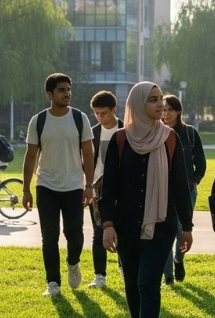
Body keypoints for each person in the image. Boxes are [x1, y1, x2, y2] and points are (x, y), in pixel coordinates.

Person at [99, 82, 193, 318]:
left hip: (161, 227)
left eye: (160, 98)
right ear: (138, 104)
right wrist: (108, 225)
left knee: (147, 283)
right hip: (126, 226)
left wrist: (187, 228)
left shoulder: (169, 138)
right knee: (131, 285)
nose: (160, 104)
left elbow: (181, 187)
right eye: (152, 99)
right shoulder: (120, 140)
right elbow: (109, 188)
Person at [22, 73, 96, 297]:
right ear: (50, 94)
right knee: (49, 236)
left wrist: (89, 184)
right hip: (46, 186)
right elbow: (30, 156)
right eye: (62, 90)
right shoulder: (39, 121)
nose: (67, 94)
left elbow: (88, 153)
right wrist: (26, 189)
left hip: (74, 185)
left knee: (75, 235)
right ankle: (53, 282)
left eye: (68, 89)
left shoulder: (79, 118)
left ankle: (73, 263)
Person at [162, 94, 207, 285]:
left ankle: (178, 260)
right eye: (163, 109)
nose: (165, 113)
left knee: (182, 232)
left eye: (169, 109)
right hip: (163, 192)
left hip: (187, 191)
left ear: (178, 111)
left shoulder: (189, 133)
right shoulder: (158, 132)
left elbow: (201, 162)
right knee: (165, 235)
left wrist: (195, 180)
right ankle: (168, 277)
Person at [88, 90, 123, 288]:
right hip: (97, 190)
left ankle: (124, 269)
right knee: (98, 233)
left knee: (122, 233)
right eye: (96, 113)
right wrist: (88, 187)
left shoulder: (126, 130)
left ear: (114, 110)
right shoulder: (92, 133)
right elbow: (85, 162)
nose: (100, 117)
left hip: (121, 189)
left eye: (104, 113)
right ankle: (99, 276)